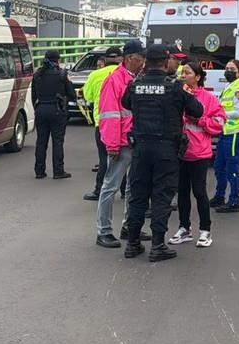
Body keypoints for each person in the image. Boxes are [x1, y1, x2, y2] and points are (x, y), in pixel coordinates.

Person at [121, 44, 203, 261]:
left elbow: (125, 103)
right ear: (166, 62)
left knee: (138, 196)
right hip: (166, 149)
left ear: (146, 63)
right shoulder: (175, 87)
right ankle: (158, 245)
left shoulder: (135, 85)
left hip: (140, 148)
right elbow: (198, 110)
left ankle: (132, 243)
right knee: (161, 196)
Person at [93, 41, 145, 248]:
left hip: (135, 140)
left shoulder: (136, 78)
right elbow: (109, 115)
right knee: (110, 187)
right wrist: (113, 144)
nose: (143, 63)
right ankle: (103, 231)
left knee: (132, 187)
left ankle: (128, 226)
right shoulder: (114, 80)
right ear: (130, 58)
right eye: (141, 59)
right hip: (121, 143)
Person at [171, 62, 226, 248]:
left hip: (199, 153)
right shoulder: (176, 95)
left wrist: (201, 120)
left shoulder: (208, 98)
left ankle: (205, 230)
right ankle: (184, 228)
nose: (183, 76)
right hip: (180, 153)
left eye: (187, 73)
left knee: (200, 193)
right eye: (181, 73)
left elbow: (219, 122)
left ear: (198, 77)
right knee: (182, 193)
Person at [81, 46, 122, 201]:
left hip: (102, 123)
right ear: (121, 58)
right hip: (124, 124)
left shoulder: (96, 75)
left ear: (105, 60)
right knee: (125, 160)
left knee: (104, 158)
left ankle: (99, 190)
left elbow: (88, 96)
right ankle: (125, 191)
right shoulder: (125, 75)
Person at [212, 59, 239, 214]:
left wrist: (221, 115)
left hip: (236, 133)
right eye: (227, 68)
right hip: (225, 132)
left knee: (232, 169)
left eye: (232, 69)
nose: (228, 71)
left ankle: (234, 201)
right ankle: (219, 196)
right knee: (218, 166)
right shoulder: (229, 87)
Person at [31, 50, 76, 180]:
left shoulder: (37, 75)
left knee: (41, 141)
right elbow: (71, 94)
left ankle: (39, 171)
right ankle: (58, 171)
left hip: (41, 109)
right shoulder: (62, 74)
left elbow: (33, 96)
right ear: (58, 60)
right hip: (57, 110)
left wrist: (37, 109)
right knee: (57, 141)